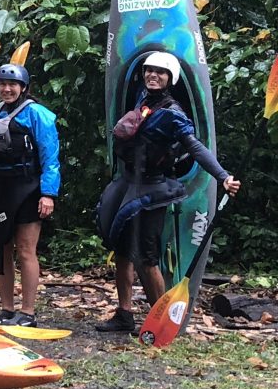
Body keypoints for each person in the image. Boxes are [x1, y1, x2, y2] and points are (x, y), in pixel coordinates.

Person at [96, 51, 240, 333]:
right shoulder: (143, 97)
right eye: (149, 70)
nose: (153, 75)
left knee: (147, 258)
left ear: (169, 78)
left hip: (153, 189)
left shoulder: (173, 114)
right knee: (122, 252)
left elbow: (195, 147)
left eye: (160, 72)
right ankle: (124, 314)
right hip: (129, 183)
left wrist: (222, 177)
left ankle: (159, 322)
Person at [0, 63, 60, 327]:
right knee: (0, 247)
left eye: (12, 85)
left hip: (28, 187)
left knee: (25, 249)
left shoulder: (37, 114)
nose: (7, 89)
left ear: (23, 87)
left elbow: (50, 157)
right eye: (2, 84)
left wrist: (48, 193)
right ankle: (7, 308)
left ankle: (28, 312)